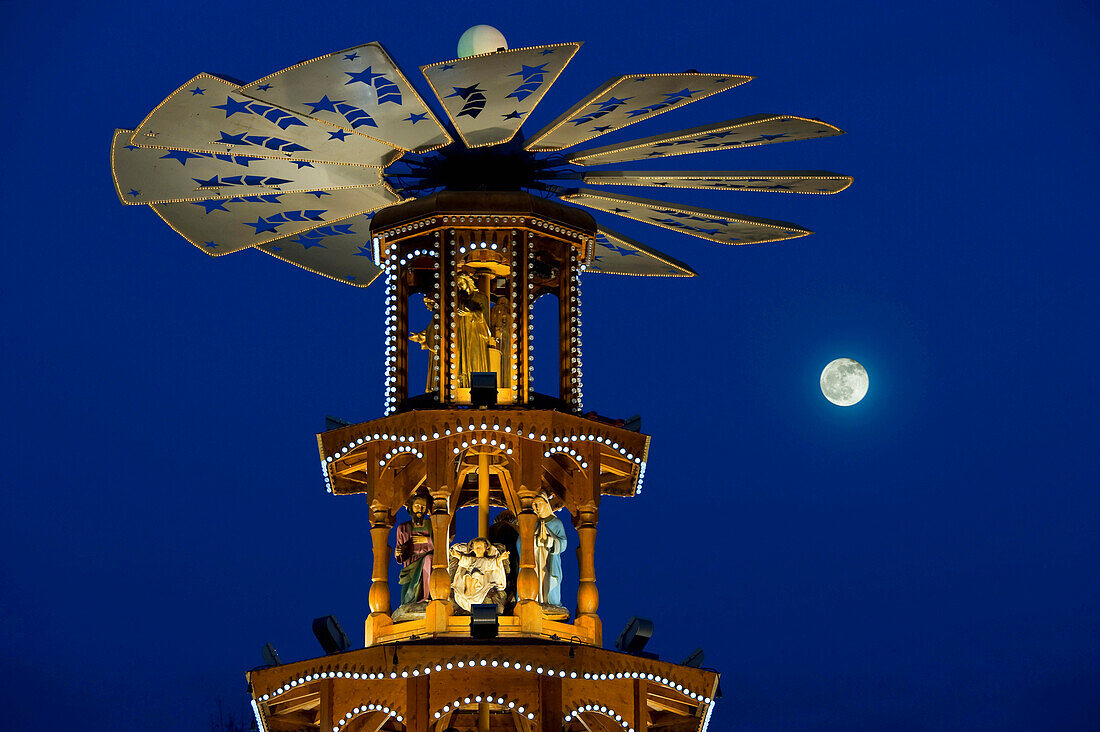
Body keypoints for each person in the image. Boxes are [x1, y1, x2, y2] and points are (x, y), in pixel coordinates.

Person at [449, 537, 509, 612]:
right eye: (476, 547)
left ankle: (471, 593)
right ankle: (467, 593)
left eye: (480, 547)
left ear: (485, 549)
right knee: (467, 578)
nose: (478, 549)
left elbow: (494, 563)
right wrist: (456, 555)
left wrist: (501, 558)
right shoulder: (471, 559)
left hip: (478, 582)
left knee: (475, 576)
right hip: (469, 578)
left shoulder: (485, 561)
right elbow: (464, 560)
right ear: (472, 549)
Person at [454, 274, 493, 387]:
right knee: (464, 357)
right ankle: (465, 383)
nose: (460, 287)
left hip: (476, 332)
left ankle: (479, 383)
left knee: (476, 357)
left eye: (461, 283)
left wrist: (470, 314)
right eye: (458, 285)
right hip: (464, 332)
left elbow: (484, 316)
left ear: (468, 282)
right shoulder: (461, 299)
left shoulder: (481, 297)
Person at [394, 496, 433, 605]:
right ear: (410, 508)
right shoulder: (402, 528)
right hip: (410, 565)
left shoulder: (432, 525)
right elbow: (400, 550)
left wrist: (427, 540)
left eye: (423, 507)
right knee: (407, 596)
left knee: (428, 560)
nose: (420, 509)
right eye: (417, 506)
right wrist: (398, 553)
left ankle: (427, 596)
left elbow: (441, 545)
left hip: (429, 563)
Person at [532, 495, 567, 606]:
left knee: (548, 578)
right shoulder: (532, 523)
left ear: (546, 504)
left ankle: (550, 602)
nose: (538, 507)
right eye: (535, 504)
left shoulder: (556, 523)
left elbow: (564, 543)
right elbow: (521, 542)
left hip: (550, 558)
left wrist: (549, 541)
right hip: (535, 558)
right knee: (536, 577)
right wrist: (536, 540)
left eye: (540, 503)